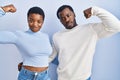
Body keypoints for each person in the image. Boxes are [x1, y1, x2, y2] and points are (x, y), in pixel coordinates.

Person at [49, 5, 120, 80]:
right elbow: (50, 57)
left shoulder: (90, 29)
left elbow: (117, 26)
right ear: (60, 21)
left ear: (74, 14)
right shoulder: (56, 36)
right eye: (63, 18)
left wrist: (94, 10)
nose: (66, 19)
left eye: (68, 15)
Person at [0, 5, 52, 80]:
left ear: (43, 22)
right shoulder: (19, 35)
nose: (35, 24)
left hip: (45, 76)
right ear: (27, 20)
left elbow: (42, 55)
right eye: (31, 20)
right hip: (27, 77)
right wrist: (2, 10)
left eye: (39, 21)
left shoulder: (45, 36)